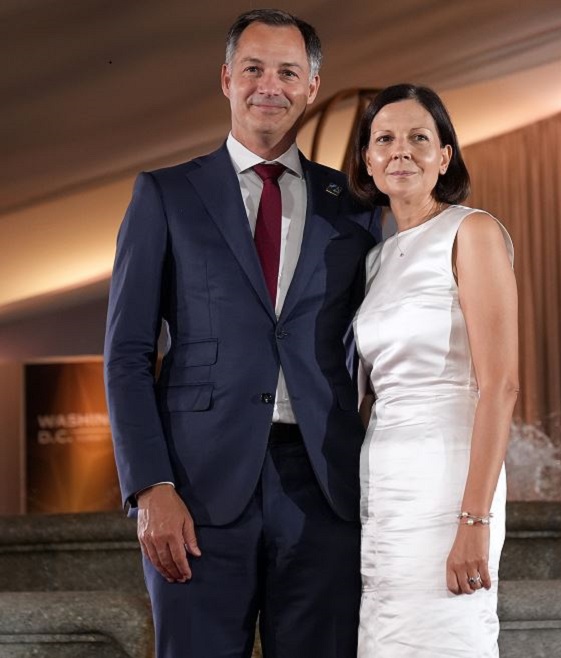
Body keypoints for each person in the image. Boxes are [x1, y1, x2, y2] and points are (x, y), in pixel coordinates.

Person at [104, 9, 378, 657]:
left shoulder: (356, 206)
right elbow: (128, 355)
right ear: (227, 78)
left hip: (324, 489)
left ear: (312, 87)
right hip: (195, 488)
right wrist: (151, 485)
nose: (269, 86)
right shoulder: (165, 195)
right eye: (253, 68)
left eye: (288, 72)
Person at [346, 84, 518, 656]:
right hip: (384, 481)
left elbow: (500, 386)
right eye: (385, 139)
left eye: (419, 138)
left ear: (444, 157)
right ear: (368, 160)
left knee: (449, 636)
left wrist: (474, 520)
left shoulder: (473, 232)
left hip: (448, 479)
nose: (401, 151)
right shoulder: (374, 260)